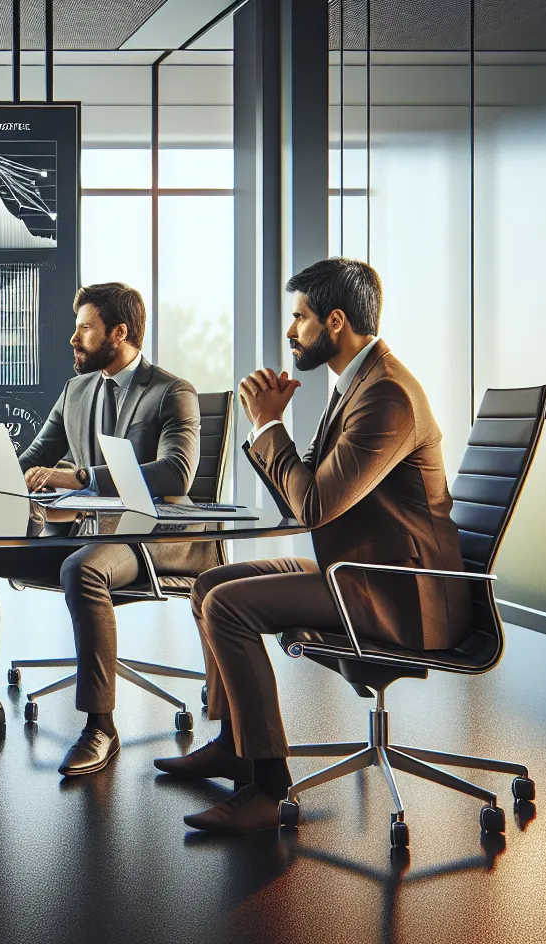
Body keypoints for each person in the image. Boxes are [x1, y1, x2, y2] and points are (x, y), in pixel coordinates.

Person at [154, 257, 467, 834]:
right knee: (211, 583)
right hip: (360, 571)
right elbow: (308, 501)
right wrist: (268, 428)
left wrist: (269, 427)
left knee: (228, 606)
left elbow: (315, 507)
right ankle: (235, 743)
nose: (291, 331)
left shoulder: (387, 396)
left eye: (299, 318)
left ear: (336, 321)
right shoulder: (357, 384)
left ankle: (268, 787)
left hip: (400, 593)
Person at [0, 282, 216, 777]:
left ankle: (101, 726)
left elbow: (177, 472)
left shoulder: (171, 391)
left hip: (151, 537)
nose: (73, 340)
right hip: (89, 532)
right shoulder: (77, 389)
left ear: (118, 333)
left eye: (84, 329)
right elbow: (36, 458)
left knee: (83, 569)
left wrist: (81, 477)